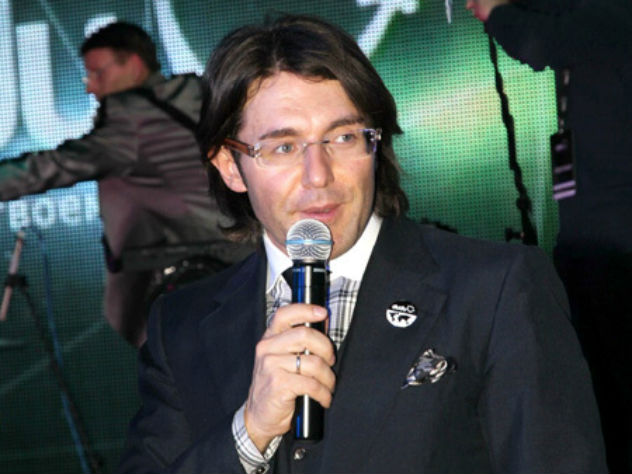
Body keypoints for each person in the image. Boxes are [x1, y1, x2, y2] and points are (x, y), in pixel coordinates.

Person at [118, 14, 606, 473]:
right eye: (284, 147)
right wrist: (249, 433)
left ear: (376, 143)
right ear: (230, 166)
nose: (318, 175)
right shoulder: (179, 326)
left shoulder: (494, 290)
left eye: (344, 138)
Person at [0, 22, 251, 347]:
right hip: (244, 259)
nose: (90, 87)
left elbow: (54, 167)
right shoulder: (201, 97)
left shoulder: (133, 118)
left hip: (181, 275)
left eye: (97, 73)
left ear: (133, 65)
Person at [466, 1, 632, 471]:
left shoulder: (608, 18)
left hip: (613, 237)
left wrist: (497, 12)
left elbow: (539, 41)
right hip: (590, 230)